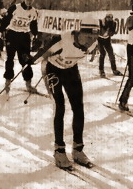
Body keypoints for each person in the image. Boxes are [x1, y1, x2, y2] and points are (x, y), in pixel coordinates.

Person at [28, 23, 98, 170]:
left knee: (78, 108)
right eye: (87, 36)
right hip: (52, 69)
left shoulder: (93, 44)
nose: (90, 41)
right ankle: (59, 150)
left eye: (93, 37)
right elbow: (42, 53)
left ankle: (77, 149)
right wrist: (30, 61)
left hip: (70, 70)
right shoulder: (62, 39)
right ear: (78, 33)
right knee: (60, 106)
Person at [0, 0, 39, 94]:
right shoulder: (15, 8)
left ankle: (28, 84)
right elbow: (6, 20)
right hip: (12, 35)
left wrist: (36, 35)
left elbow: (33, 25)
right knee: (10, 59)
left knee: (26, 60)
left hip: (24, 37)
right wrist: (0, 30)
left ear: (33, 0)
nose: (29, 1)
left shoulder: (34, 12)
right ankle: (7, 82)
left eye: (31, 0)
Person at [98, 13, 122, 77]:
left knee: (111, 54)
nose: (110, 20)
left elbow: (112, 33)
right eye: (108, 18)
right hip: (99, 39)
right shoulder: (101, 22)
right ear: (105, 18)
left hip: (107, 40)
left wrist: (110, 32)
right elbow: (99, 31)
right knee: (103, 53)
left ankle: (114, 69)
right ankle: (101, 70)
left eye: (111, 19)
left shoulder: (113, 23)